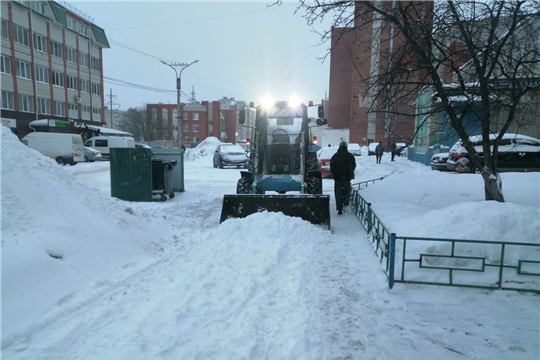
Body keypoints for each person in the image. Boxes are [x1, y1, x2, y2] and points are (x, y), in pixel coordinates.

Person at [330, 141, 356, 215]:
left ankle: (339, 208)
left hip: (338, 178)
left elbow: (332, 167)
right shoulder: (350, 156)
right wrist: (349, 173)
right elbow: (354, 165)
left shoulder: (335, 156)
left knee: (338, 193)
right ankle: (345, 204)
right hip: (347, 178)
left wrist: (335, 174)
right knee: (346, 192)